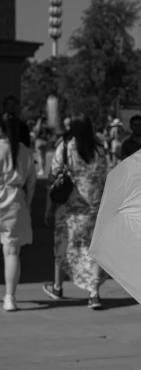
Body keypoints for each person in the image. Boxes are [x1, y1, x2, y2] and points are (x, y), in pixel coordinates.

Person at [43, 113, 109, 310]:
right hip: (94, 208)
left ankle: (57, 287)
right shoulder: (99, 151)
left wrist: (49, 209)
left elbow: (52, 178)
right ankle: (94, 294)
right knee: (93, 250)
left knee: (63, 245)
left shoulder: (65, 149)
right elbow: (105, 178)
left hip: (69, 210)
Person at [0, 112, 36, 311]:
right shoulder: (26, 152)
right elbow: (31, 182)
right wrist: (27, 204)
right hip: (16, 201)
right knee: (12, 251)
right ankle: (9, 298)